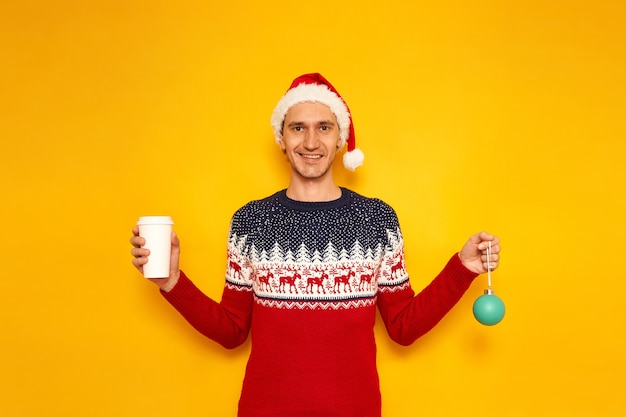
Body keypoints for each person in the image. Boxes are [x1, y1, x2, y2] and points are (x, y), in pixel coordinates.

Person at [130, 73, 501, 417]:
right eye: (298, 128)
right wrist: (171, 281)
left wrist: (463, 267)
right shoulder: (250, 221)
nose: (310, 142)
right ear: (281, 139)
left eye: (324, 127)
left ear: (341, 138)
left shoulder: (377, 220)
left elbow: (403, 327)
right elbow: (231, 331)